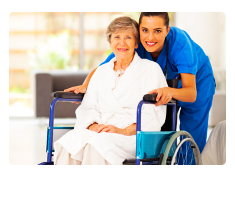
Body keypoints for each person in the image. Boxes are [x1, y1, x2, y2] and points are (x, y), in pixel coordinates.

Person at [66, 12, 216, 165]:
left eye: (157, 31)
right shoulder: (135, 43)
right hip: (165, 85)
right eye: (145, 30)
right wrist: (86, 86)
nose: (150, 37)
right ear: (139, 29)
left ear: (167, 30)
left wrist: (169, 91)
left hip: (196, 84)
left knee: (189, 143)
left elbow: (191, 94)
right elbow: (103, 67)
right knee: (160, 136)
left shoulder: (180, 44)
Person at [54, 17, 167, 165]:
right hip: (101, 131)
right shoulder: (101, 71)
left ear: (136, 43)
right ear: (110, 42)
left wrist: (122, 130)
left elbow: (153, 116)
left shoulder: (151, 69)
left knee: (95, 146)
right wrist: (94, 127)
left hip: (133, 136)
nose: (122, 43)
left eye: (128, 37)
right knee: (68, 143)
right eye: (117, 37)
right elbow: (88, 107)